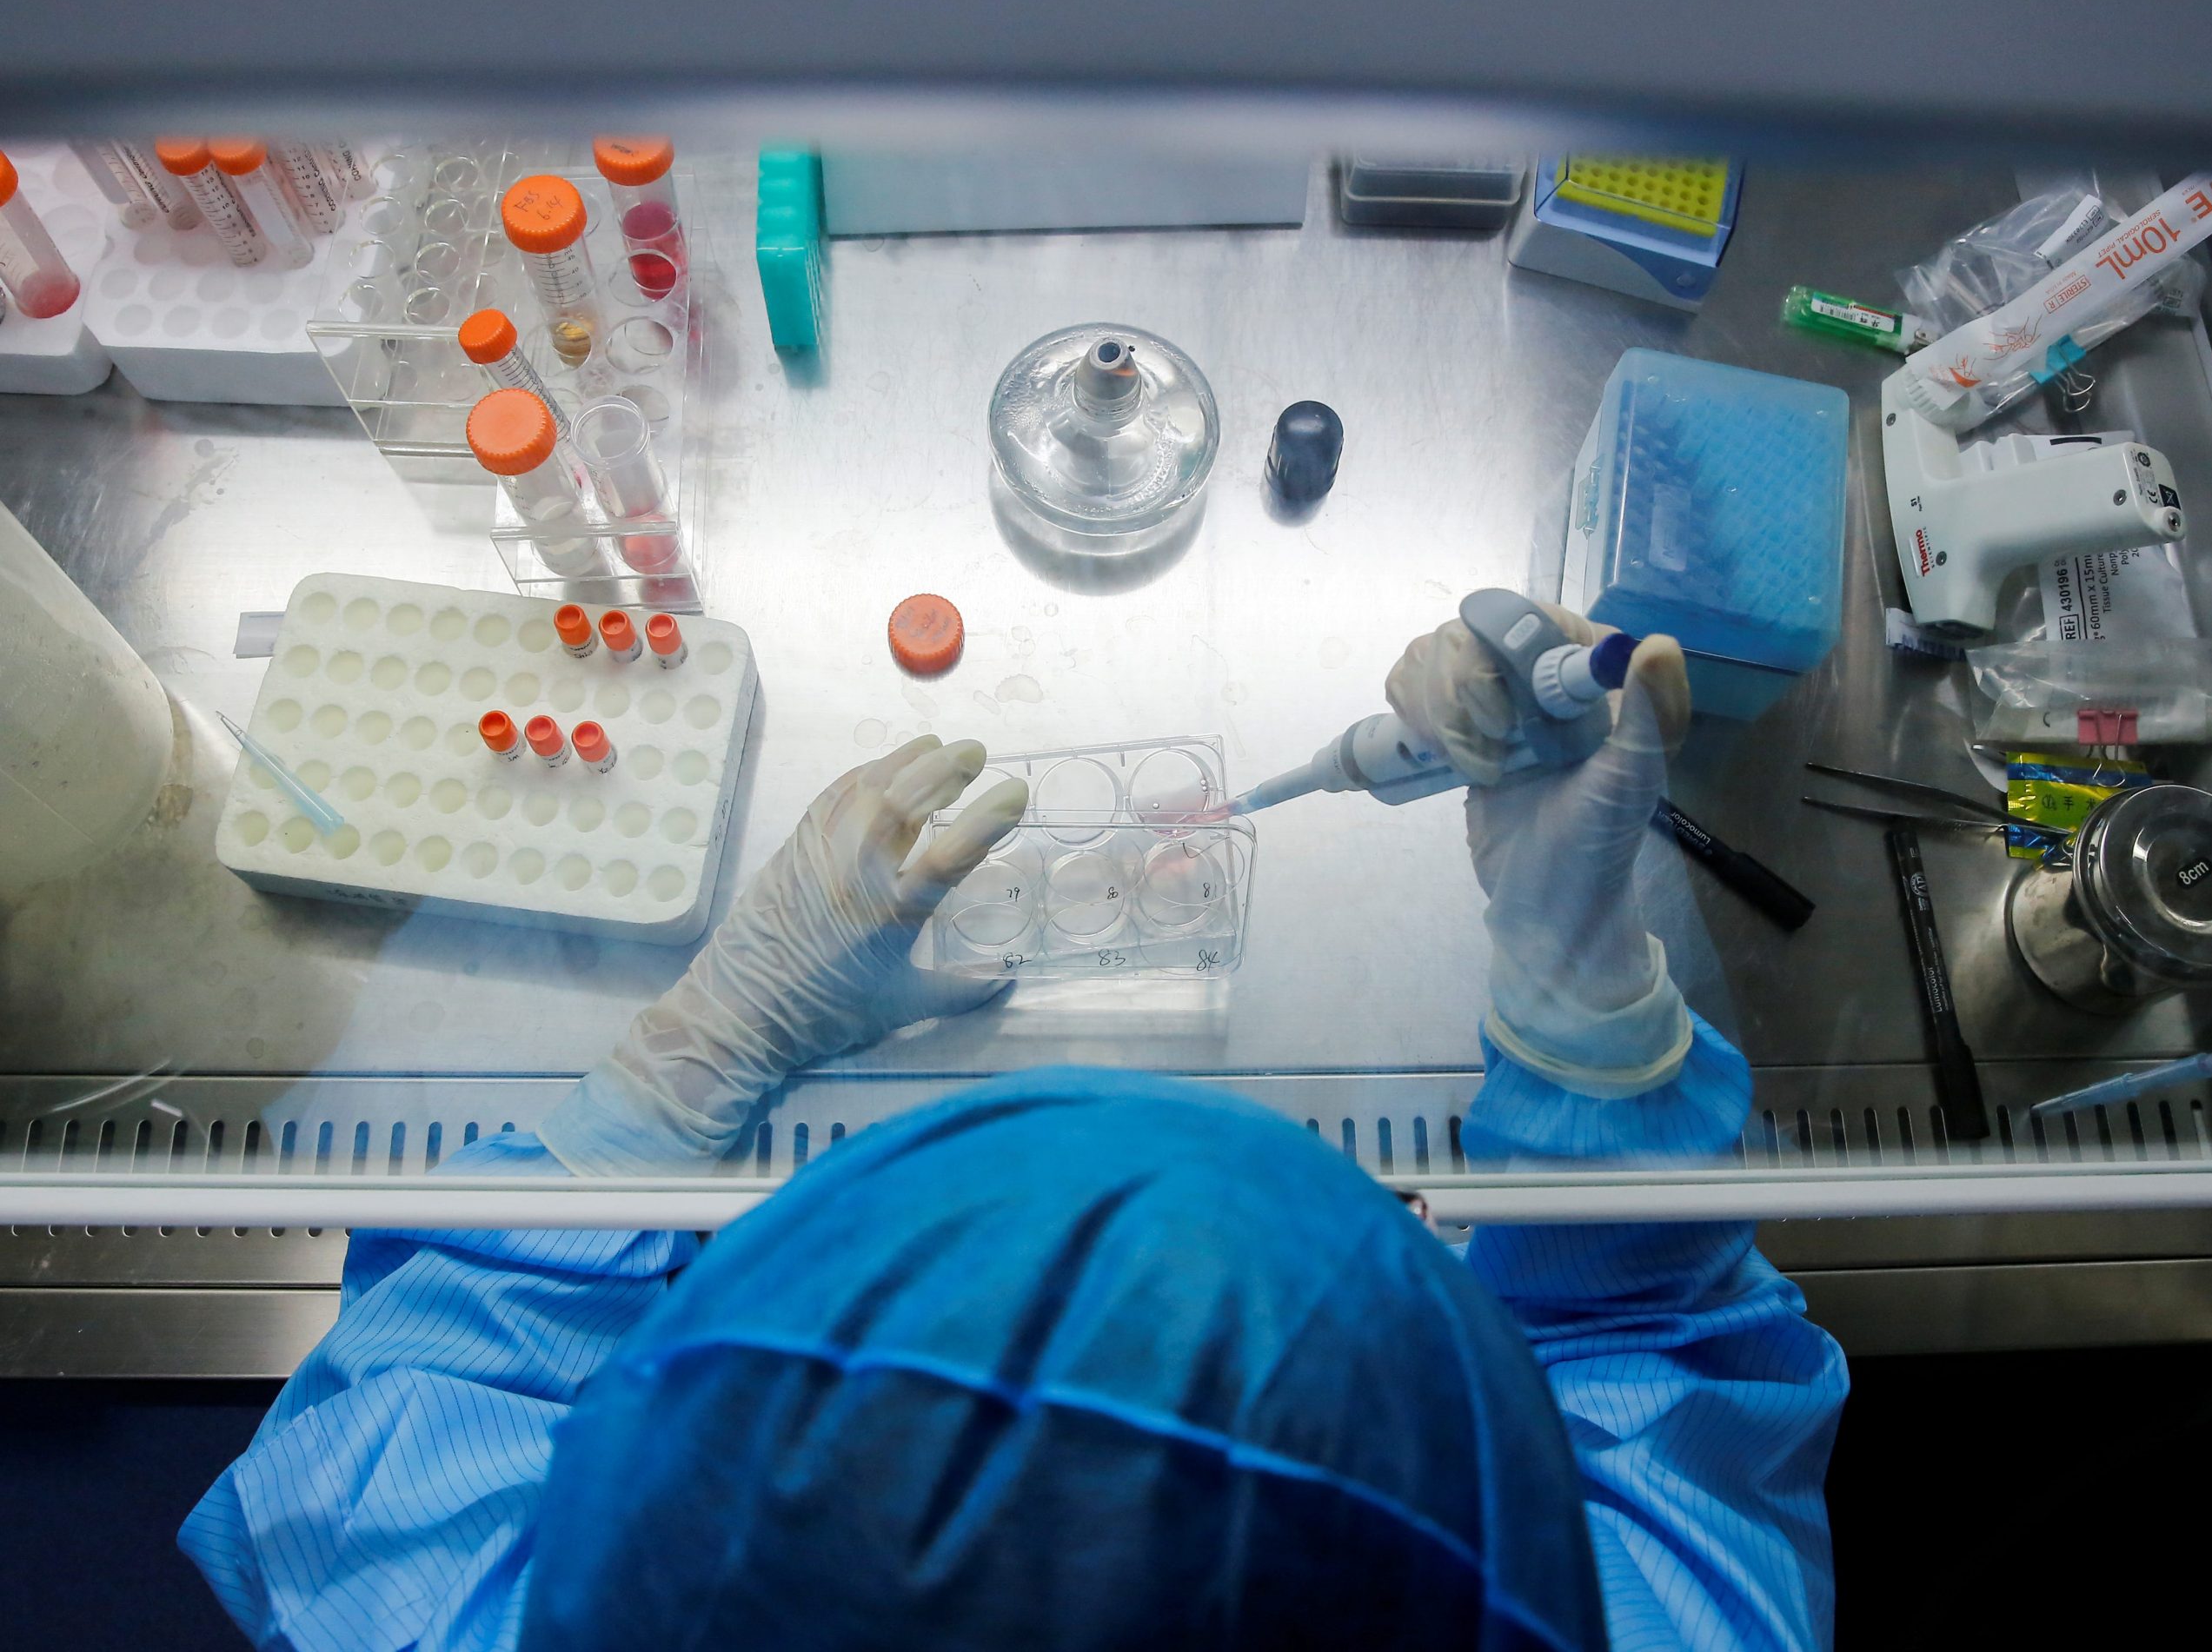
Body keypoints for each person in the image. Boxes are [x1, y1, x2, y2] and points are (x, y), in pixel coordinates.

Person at [182, 613, 1847, 1652]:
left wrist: (710, 1048)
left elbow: (402, 1410)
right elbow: (1659, 1362)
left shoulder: (448, 1604)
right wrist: (1579, 988)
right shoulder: (1665, 1627)